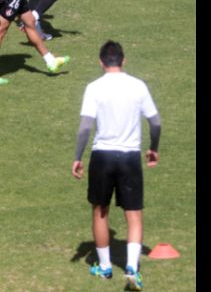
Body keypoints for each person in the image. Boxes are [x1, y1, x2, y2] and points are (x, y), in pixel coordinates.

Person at [71, 41, 161, 291]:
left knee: (100, 211)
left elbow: (86, 127)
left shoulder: (94, 88)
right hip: (130, 156)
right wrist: (154, 148)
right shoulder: (138, 86)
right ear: (124, 60)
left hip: (103, 156)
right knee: (134, 215)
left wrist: (77, 157)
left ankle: (105, 267)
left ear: (101, 62)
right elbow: (155, 123)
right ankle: (132, 269)